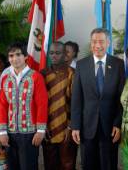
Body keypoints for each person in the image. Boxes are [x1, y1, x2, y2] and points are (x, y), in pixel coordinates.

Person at [71, 28, 125, 170]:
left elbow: (122, 98)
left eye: (101, 41)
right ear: (91, 44)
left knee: (108, 164)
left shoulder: (118, 64)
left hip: (110, 126)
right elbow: (77, 98)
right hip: (87, 126)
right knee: (88, 164)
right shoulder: (81, 65)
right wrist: (75, 126)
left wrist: (118, 124)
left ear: (108, 43)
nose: (97, 45)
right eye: (94, 42)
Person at [0, 42, 48, 170]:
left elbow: (42, 104)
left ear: (25, 56)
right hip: (10, 133)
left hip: (30, 134)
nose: (14, 59)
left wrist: (41, 131)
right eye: (11, 55)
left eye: (18, 54)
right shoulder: (6, 79)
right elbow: (2, 105)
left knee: (28, 167)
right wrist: (2, 132)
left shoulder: (36, 77)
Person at [41, 42, 78, 170]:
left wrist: (71, 125)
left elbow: (76, 103)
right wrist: (42, 125)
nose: (54, 56)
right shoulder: (43, 74)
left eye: (58, 53)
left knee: (67, 163)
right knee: (50, 164)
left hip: (66, 127)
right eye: (51, 53)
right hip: (48, 127)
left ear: (65, 55)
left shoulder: (72, 73)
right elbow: (40, 103)